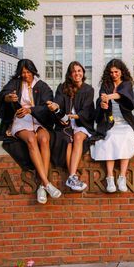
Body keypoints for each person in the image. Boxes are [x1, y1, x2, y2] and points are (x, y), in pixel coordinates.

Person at [0, 59, 61, 204]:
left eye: (28, 72)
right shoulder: (15, 83)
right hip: (20, 120)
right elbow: (3, 95)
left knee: (44, 140)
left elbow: (46, 106)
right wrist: (10, 98)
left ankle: (41, 187)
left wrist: (31, 110)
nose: (25, 75)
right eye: (23, 72)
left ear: (33, 71)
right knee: (32, 140)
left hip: (38, 120)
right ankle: (46, 183)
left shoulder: (42, 86)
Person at [90, 58, 134, 193]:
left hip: (125, 122)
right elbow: (100, 103)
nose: (114, 74)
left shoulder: (126, 84)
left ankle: (122, 177)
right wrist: (102, 105)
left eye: (116, 71)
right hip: (110, 123)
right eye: (111, 72)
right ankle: (110, 178)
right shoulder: (105, 86)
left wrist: (109, 97)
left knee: (125, 138)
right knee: (109, 139)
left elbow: (124, 96)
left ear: (121, 71)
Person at [47, 61, 95, 191]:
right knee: (67, 140)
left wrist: (75, 116)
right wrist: (56, 108)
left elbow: (88, 110)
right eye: (74, 71)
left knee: (78, 137)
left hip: (81, 123)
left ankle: (71, 177)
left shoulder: (88, 89)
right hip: (65, 124)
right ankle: (73, 177)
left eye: (79, 71)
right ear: (70, 74)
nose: (77, 73)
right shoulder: (62, 88)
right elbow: (58, 104)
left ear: (83, 73)